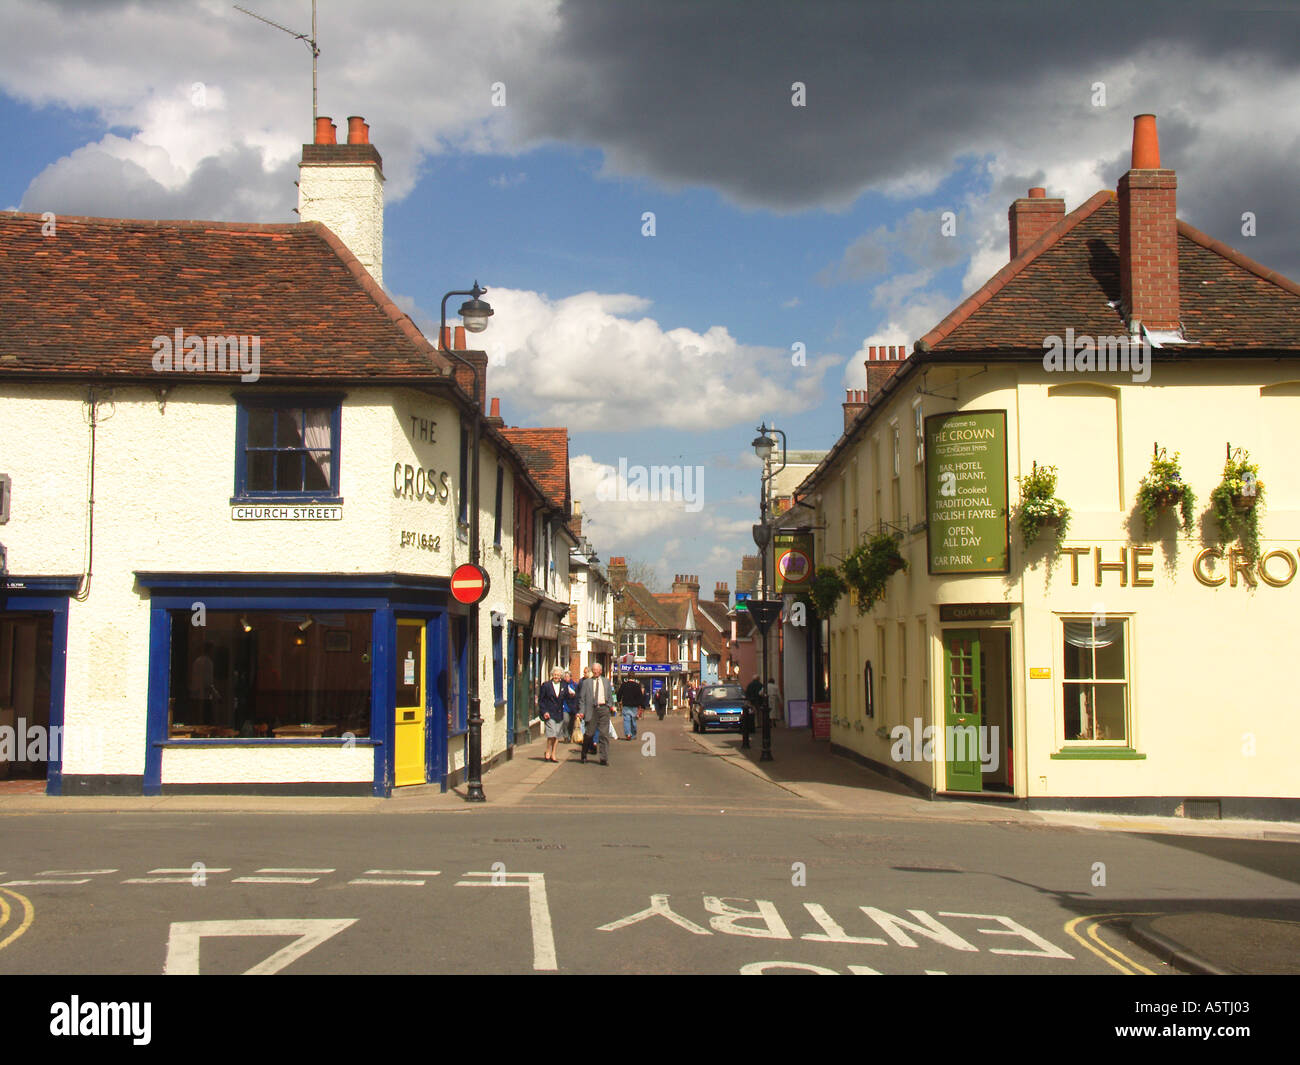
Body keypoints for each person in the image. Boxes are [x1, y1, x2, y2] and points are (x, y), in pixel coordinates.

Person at [579, 663, 613, 764]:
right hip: (591, 709)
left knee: (604, 734)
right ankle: (584, 754)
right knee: (589, 734)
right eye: (594, 670)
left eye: (597, 670)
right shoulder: (587, 683)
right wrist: (581, 711)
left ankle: (603, 758)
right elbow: (582, 699)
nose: (595, 671)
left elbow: (610, 696)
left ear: (601, 671)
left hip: (603, 709)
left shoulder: (606, 682)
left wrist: (609, 706)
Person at [538, 667, 566, 762]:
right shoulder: (546, 685)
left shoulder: (564, 685)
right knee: (552, 734)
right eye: (554, 675)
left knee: (557, 735)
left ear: (561, 676)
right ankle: (547, 751)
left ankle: (553, 753)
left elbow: (568, 698)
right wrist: (544, 711)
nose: (556, 677)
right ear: (552, 675)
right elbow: (541, 700)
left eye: (558, 675)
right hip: (549, 713)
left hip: (559, 714)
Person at [617, 675, 644, 740]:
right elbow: (640, 696)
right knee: (633, 720)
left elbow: (619, 693)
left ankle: (628, 734)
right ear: (634, 677)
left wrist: (618, 700)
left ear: (628, 677)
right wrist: (641, 705)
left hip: (626, 705)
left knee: (626, 720)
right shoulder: (637, 685)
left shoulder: (624, 685)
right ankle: (633, 734)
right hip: (634, 706)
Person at [561, 668, 579, 741]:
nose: (566, 678)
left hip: (573, 707)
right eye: (565, 676)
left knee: (571, 723)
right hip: (565, 706)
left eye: (567, 676)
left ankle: (570, 735)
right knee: (566, 720)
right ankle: (565, 735)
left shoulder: (575, 685)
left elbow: (578, 695)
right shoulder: (562, 685)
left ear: (570, 677)